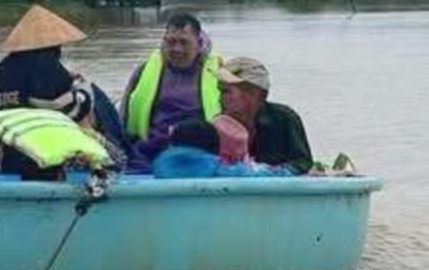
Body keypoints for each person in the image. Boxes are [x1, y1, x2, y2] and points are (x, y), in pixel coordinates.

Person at [0, 4, 91, 178]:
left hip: (12, 157)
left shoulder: (2, 70)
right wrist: (85, 91)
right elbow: (70, 109)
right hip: (45, 157)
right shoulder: (47, 66)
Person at [119, 11, 224, 170]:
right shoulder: (144, 71)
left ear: (199, 42)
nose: (176, 49)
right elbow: (124, 113)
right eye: (171, 42)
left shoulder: (220, 73)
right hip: (150, 150)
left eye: (184, 42)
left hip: (200, 153)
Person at [172, 56, 313, 172]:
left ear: (255, 94)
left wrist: (273, 171)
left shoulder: (285, 118)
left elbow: (303, 162)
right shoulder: (219, 127)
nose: (220, 98)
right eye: (220, 91)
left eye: (226, 92)